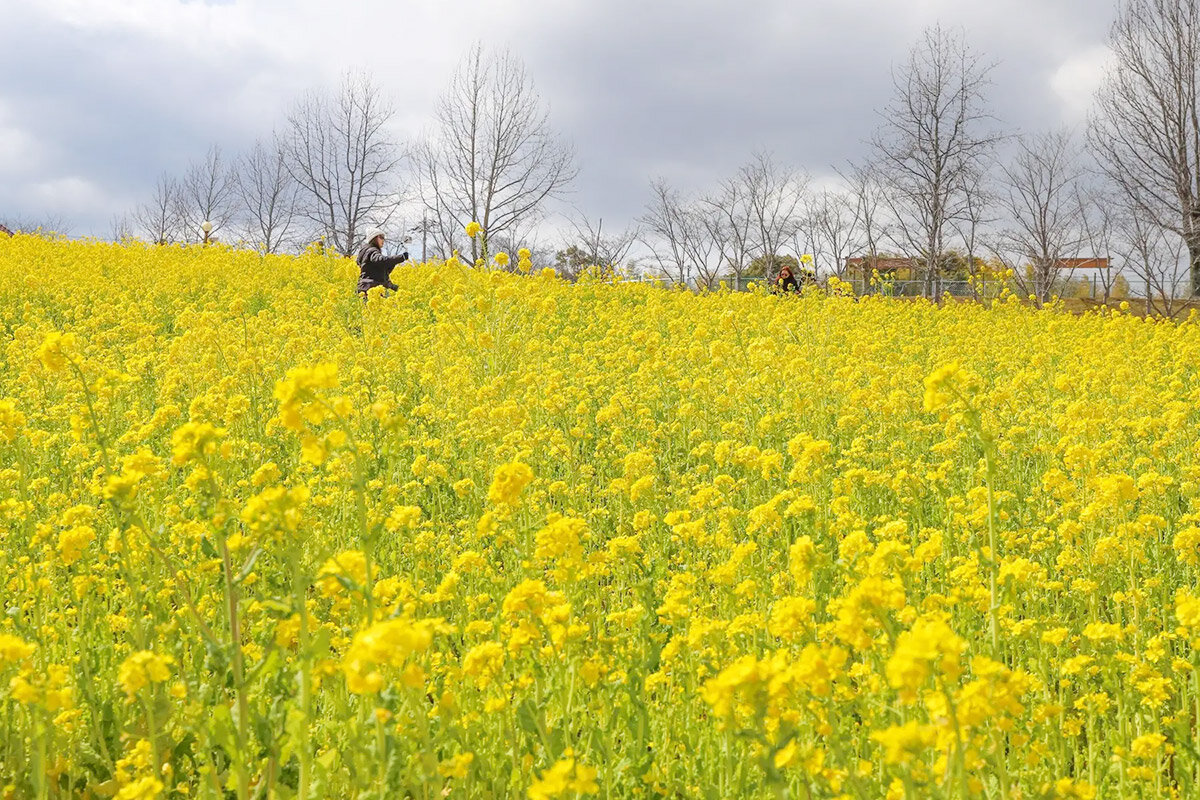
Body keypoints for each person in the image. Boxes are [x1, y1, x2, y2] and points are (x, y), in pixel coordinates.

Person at [356, 229, 409, 297]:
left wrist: (393, 287)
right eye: (381, 237)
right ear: (374, 238)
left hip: (366, 288)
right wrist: (401, 257)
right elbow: (381, 260)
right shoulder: (372, 251)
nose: (383, 240)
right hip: (371, 290)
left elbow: (378, 273)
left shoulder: (368, 252)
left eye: (384, 238)